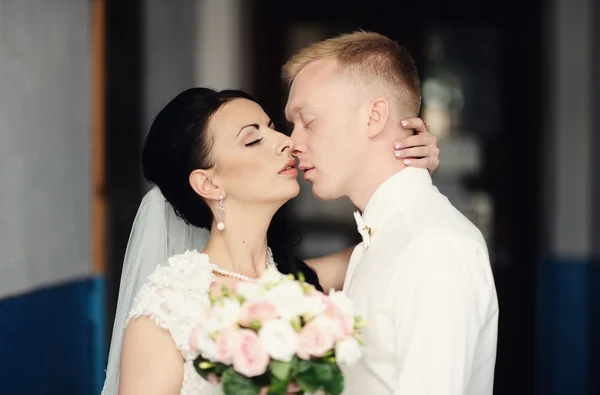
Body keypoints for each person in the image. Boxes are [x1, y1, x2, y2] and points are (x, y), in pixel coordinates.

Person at [101, 87, 440, 394]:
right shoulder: (166, 312)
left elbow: (396, 238)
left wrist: (408, 171)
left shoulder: (299, 286)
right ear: (209, 184)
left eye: (271, 128)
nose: (286, 142)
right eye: (253, 139)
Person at [283, 31, 498, 394]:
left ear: (374, 116)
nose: (292, 142)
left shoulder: (436, 245)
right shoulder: (378, 240)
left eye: (309, 121)